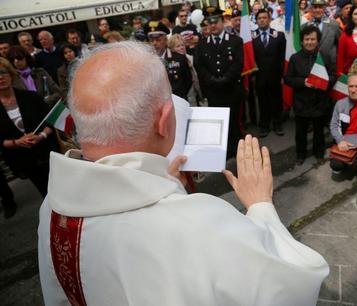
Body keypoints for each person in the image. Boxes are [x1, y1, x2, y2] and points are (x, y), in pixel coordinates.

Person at [37, 40, 329, 306]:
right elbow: (296, 286)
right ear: (164, 121)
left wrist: (162, 184)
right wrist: (261, 206)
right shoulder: (200, 225)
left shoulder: (53, 206)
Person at [0, 57, 57, 198]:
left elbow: (51, 119)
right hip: (23, 160)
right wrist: (17, 142)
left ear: (11, 74)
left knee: (63, 187)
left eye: (3, 72)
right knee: (46, 193)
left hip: (48, 152)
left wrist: (41, 136)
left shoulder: (30, 97)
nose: (0, 77)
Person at [194, 6, 244, 158]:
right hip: (214, 91)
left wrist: (225, 79)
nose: (212, 25)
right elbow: (199, 66)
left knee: (234, 121)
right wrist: (212, 80)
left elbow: (238, 64)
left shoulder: (235, 41)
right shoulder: (202, 45)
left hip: (231, 89)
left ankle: (237, 149)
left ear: (223, 22)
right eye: (209, 22)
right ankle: (225, 151)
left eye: (215, 21)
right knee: (220, 124)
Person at [285, 25, 336, 164]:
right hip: (301, 102)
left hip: (320, 102)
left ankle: (319, 153)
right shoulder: (295, 58)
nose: (309, 42)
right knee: (300, 132)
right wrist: (303, 82)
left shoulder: (324, 56)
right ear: (301, 41)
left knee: (319, 131)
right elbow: (288, 79)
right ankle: (300, 154)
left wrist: (323, 82)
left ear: (317, 40)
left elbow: (333, 76)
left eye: (313, 39)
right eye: (306, 39)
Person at [252, 9, 286, 137]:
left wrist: (283, 75)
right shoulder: (251, 37)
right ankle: (264, 125)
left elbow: (282, 57)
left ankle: (277, 123)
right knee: (262, 101)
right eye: (259, 18)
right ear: (256, 20)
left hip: (275, 76)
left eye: (264, 17)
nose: (262, 20)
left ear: (269, 19)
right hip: (259, 77)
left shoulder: (279, 36)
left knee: (276, 100)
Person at [148, 21, 192, 100]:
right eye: (151, 41)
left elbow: (188, 81)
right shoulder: (147, 62)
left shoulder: (179, 58)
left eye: (158, 40)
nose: (154, 43)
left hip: (178, 101)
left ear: (165, 40)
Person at [303, 0, 341, 69]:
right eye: (315, 7)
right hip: (311, 65)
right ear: (311, 9)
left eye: (320, 7)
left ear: (324, 8)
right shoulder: (305, 26)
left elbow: (340, 45)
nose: (317, 10)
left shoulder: (333, 24)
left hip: (330, 66)